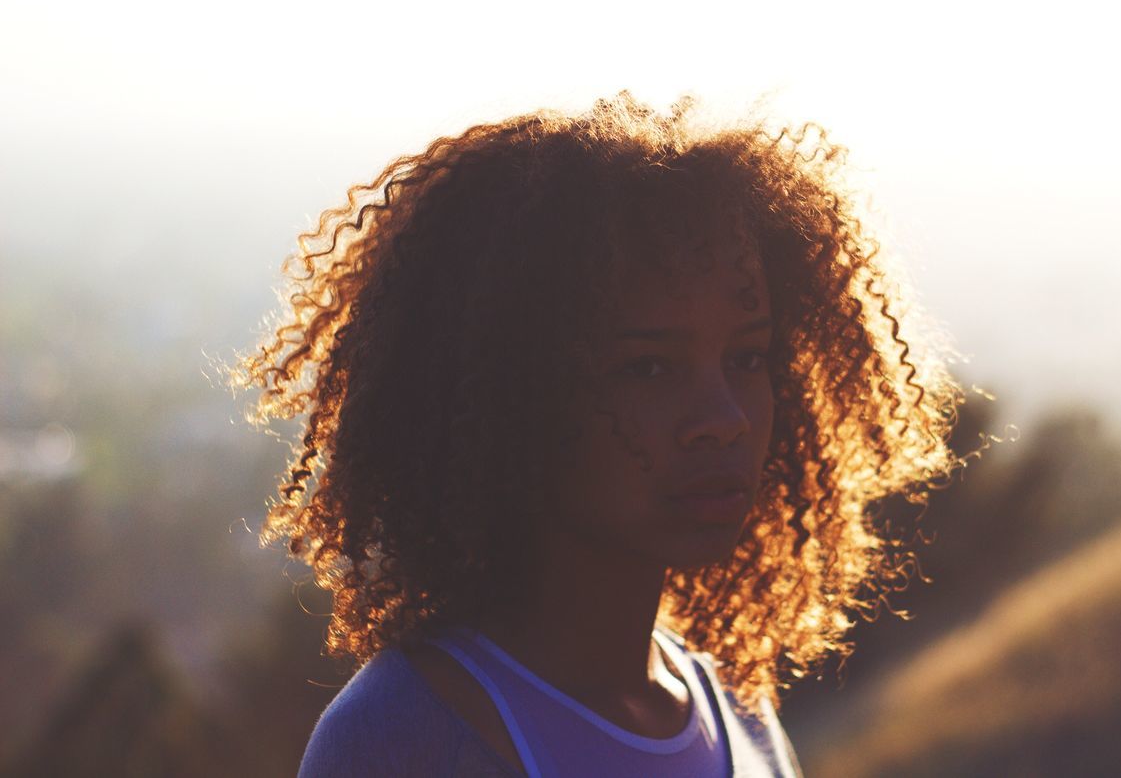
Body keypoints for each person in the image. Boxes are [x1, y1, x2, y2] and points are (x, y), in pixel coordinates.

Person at [232, 93, 958, 777]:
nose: (725, 416)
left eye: (747, 357)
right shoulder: (406, 737)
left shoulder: (742, 715)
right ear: (517, 391)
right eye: (649, 366)